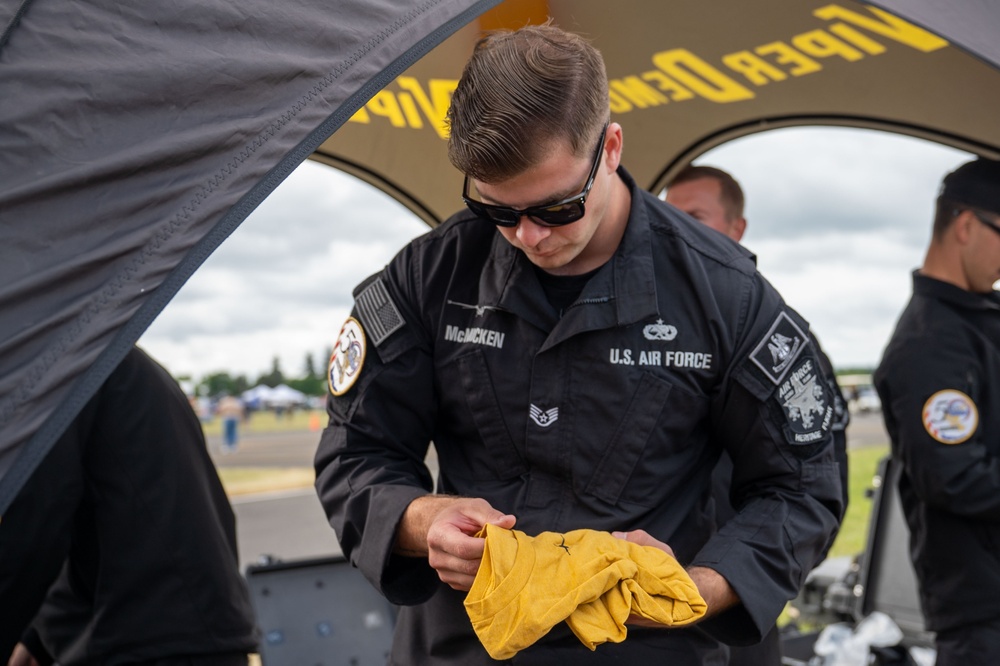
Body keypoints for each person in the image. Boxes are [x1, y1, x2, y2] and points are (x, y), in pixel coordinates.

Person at [315, 24, 843, 665]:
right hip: (463, 648)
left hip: (650, 650)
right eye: (498, 212)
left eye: (557, 208)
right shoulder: (428, 279)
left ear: (611, 147)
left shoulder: (727, 296)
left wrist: (693, 587)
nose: (529, 238)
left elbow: (802, 487)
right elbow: (356, 452)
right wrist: (423, 522)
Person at [665, 165, 851, 665]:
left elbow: (816, 493)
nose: (678, 229)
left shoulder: (775, 341)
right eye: (669, 215)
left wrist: (738, 576)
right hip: (644, 625)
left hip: (737, 615)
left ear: (736, 228)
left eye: (695, 216)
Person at [0, 347, 259, 665]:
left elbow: (31, 531)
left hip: (145, 638)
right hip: (180, 629)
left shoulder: (55, 367)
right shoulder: (108, 354)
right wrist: (37, 637)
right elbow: (99, 522)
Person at [873, 157, 1000, 666]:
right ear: (966, 224)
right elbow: (953, 477)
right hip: (982, 612)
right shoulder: (929, 344)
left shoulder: (980, 317)